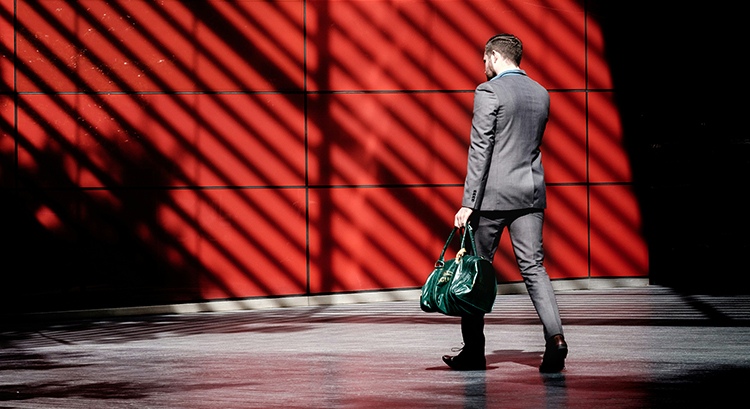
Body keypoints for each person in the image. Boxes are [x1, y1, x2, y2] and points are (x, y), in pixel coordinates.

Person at [443, 34, 567, 373]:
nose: (484, 66)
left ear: (495, 56)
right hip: (530, 193)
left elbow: (480, 149)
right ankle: (556, 338)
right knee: (534, 268)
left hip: (493, 198)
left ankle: (474, 352)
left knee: (476, 271)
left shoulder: (489, 91)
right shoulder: (541, 93)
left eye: (484, 60)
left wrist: (469, 202)